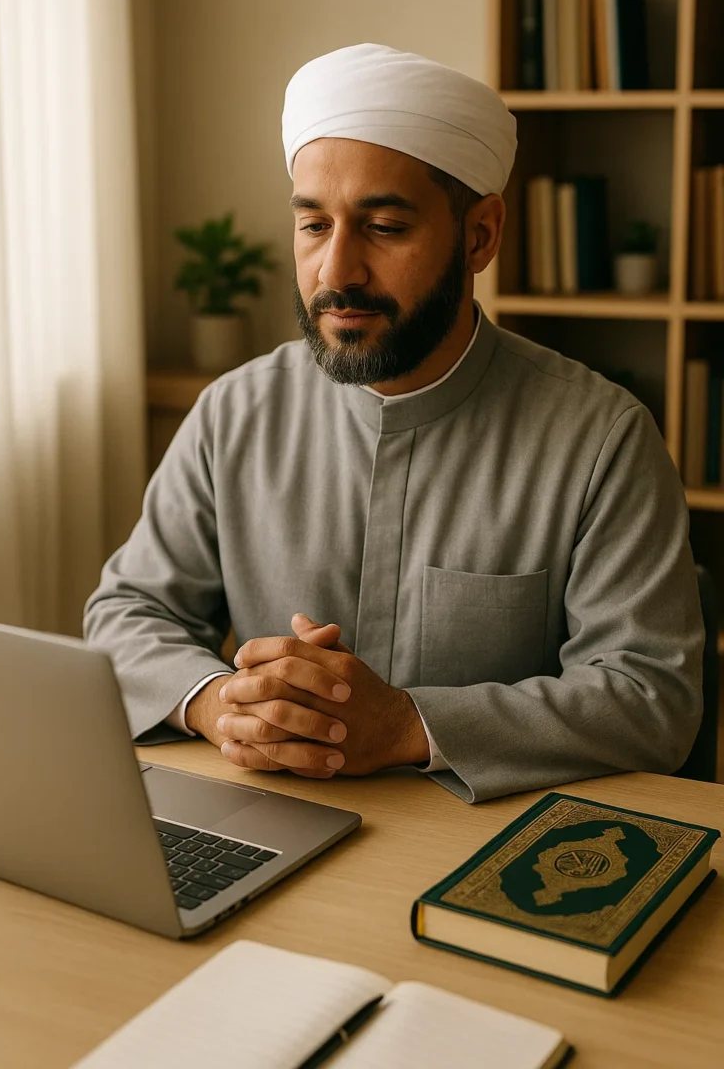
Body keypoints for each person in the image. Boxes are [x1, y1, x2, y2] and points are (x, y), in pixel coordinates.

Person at [84, 43, 704, 803]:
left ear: (480, 236)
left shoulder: (602, 439)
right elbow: (126, 612)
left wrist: (409, 724)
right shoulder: (235, 412)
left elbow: (650, 697)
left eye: (381, 226)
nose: (337, 272)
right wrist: (219, 703)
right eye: (314, 226)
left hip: (478, 858)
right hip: (268, 819)